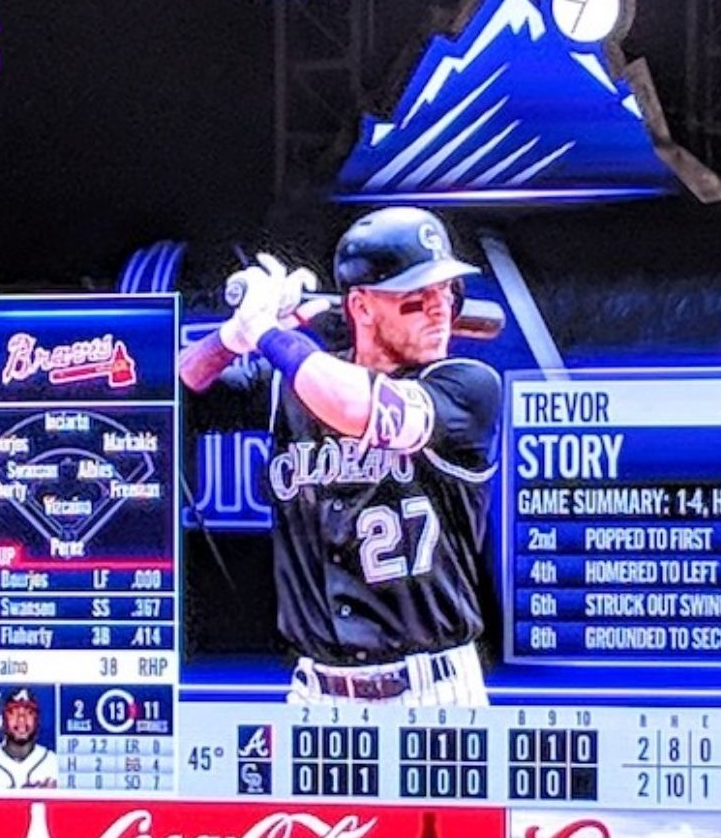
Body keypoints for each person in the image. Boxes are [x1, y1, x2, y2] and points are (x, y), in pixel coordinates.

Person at [178, 207, 505, 705]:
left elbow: (357, 405)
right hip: (316, 693)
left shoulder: (466, 387)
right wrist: (233, 336)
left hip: (431, 691)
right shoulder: (289, 383)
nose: (441, 310)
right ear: (362, 307)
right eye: (418, 298)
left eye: (448, 293)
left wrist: (270, 332)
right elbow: (176, 389)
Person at [0, 688, 56, 789]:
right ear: (3, 719)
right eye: (13, 712)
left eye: (29, 712)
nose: (21, 719)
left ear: (37, 720)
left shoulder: (55, 765)